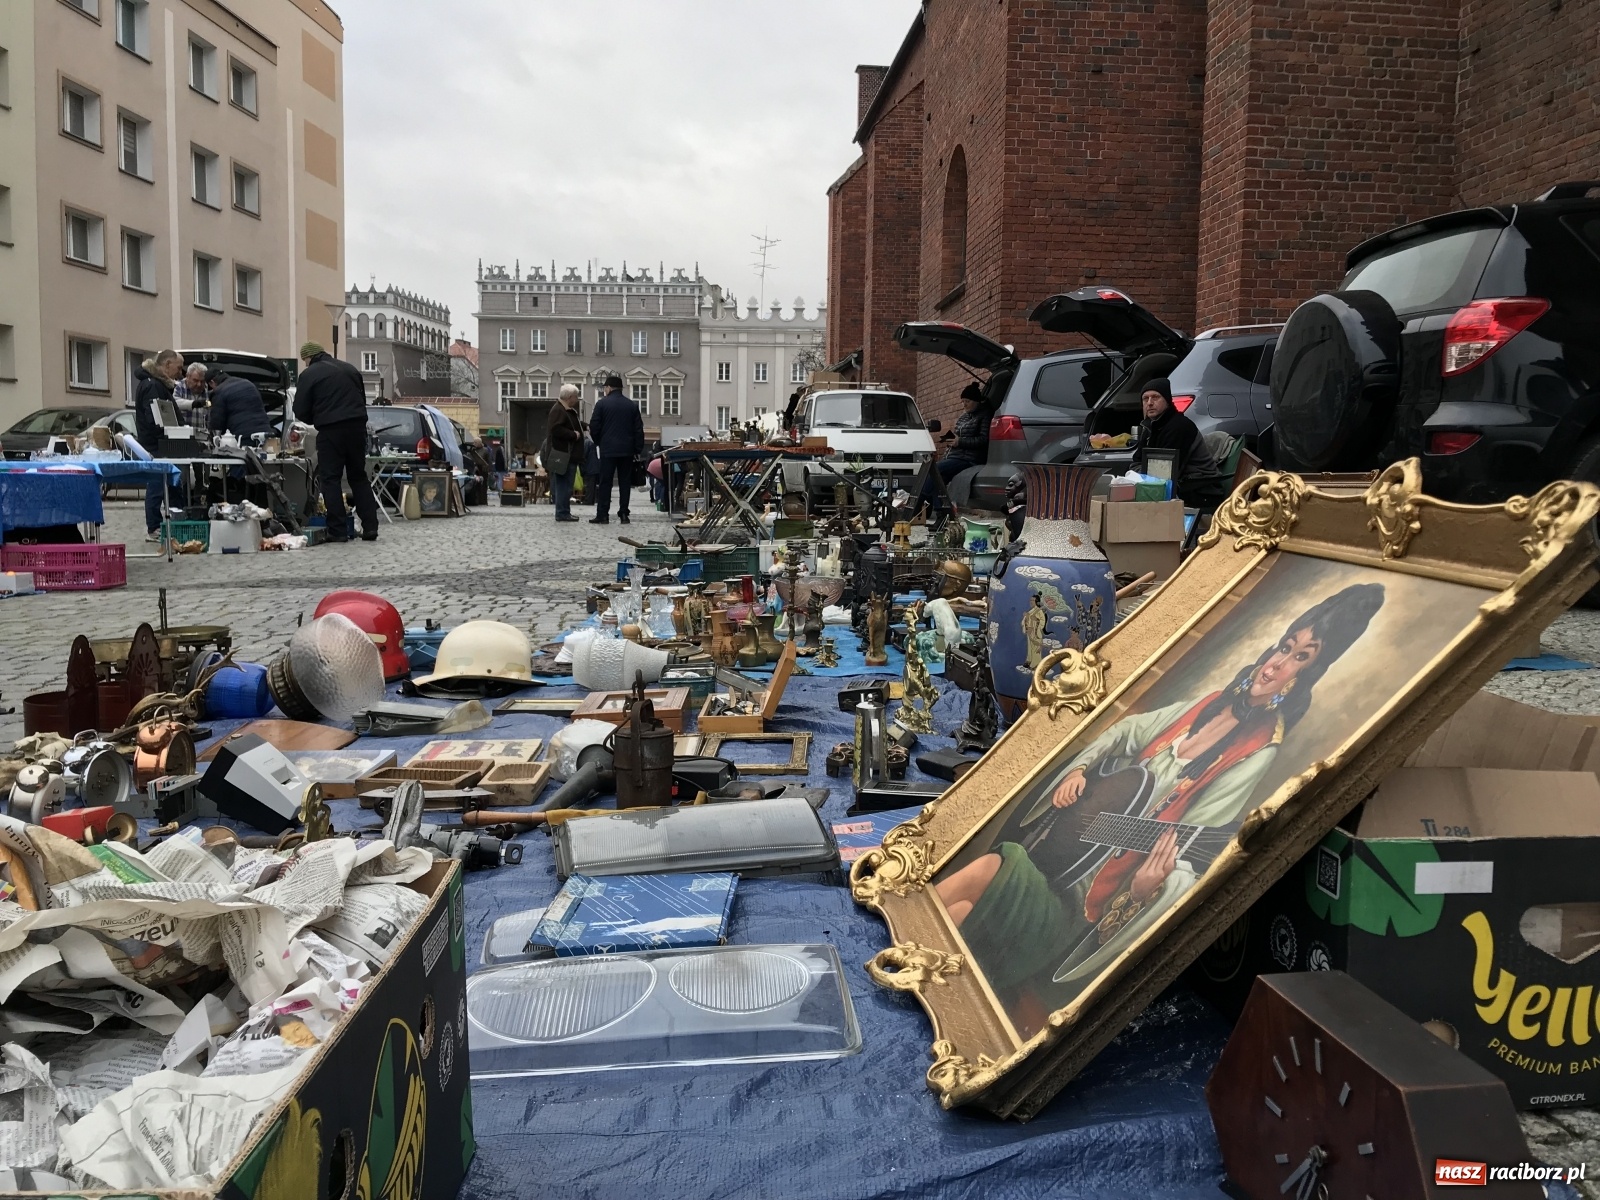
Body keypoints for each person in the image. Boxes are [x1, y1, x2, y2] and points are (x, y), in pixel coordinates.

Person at [935, 583, 1385, 1007]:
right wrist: (1079, 769)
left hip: (1084, 903)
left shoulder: (1259, 750)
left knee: (989, 874)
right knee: (964, 907)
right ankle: (928, 968)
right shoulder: (1209, 703)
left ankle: (924, 959)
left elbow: (1195, 852)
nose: (1276, 664)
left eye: (1301, 657)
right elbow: (1130, 730)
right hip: (1059, 855)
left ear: (1307, 676)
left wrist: (1145, 888)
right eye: (1286, 646)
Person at [293, 341, 379, 543]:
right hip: (357, 427)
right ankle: (370, 527)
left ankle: (338, 530)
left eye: (305, 360)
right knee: (358, 477)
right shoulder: (350, 369)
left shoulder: (309, 374)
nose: (305, 364)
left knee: (330, 479)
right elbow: (361, 400)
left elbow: (300, 410)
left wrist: (317, 418)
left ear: (308, 357)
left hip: (331, 430)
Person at [1134, 377, 1227, 510]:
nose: (1149, 403)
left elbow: (1164, 474)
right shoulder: (1150, 426)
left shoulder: (1179, 427)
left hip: (1201, 490)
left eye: (1155, 397)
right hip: (1176, 484)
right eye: (1145, 399)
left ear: (1167, 400)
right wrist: (1138, 474)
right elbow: (1136, 462)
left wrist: (1139, 474)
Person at [133, 349, 183, 541]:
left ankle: (175, 524)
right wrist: (169, 432)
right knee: (158, 485)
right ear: (167, 364)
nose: (180, 373)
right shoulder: (152, 385)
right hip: (157, 445)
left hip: (161, 443)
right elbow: (155, 417)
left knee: (170, 484)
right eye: (178, 368)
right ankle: (154, 527)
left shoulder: (154, 384)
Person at [588, 374, 643, 525]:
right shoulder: (631, 405)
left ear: (608, 388)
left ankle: (603, 515)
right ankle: (624, 514)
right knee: (625, 482)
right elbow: (638, 429)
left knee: (605, 482)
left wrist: (599, 442)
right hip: (627, 450)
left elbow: (594, 426)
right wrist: (637, 449)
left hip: (608, 449)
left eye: (605, 388)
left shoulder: (601, 404)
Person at [545, 384, 584, 522]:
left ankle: (564, 512)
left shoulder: (564, 409)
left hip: (568, 455)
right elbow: (556, 429)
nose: (577, 399)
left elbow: (570, 424)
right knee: (563, 486)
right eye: (576, 396)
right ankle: (562, 513)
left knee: (566, 486)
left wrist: (584, 426)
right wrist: (573, 435)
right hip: (563, 455)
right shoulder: (559, 410)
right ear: (569, 397)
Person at [204, 366, 272, 441]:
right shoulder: (248, 383)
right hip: (266, 433)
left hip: (243, 437)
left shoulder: (219, 391)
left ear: (212, 382)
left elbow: (217, 423)